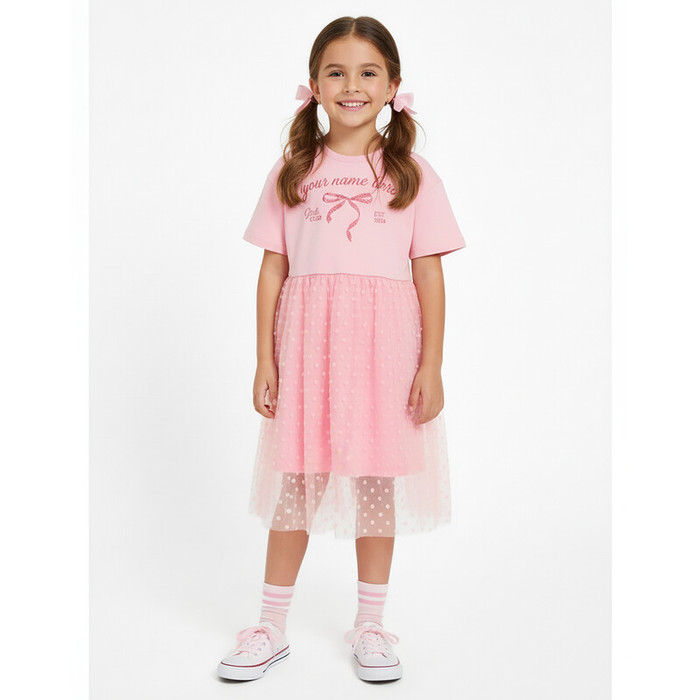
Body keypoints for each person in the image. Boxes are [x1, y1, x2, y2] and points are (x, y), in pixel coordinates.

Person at [218, 15, 466, 683]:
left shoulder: (411, 174)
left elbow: (429, 273)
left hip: (384, 350)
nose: (351, 85)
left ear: (392, 85)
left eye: (367, 72)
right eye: (336, 72)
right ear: (315, 84)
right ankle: (270, 625)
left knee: (376, 481)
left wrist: (432, 364)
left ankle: (371, 624)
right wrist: (265, 357)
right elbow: (273, 267)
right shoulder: (295, 169)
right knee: (296, 480)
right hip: (308, 347)